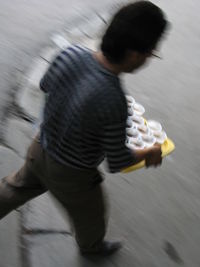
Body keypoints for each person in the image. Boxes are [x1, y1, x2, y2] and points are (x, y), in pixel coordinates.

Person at [0, 1, 168, 256]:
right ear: (135, 54)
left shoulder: (70, 53)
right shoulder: (113, 99)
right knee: (91, 215)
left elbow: (46, 87)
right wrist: (151, 152)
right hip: (73, 175)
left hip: (40, 147)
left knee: (16, 187)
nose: (150, 57)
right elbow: (118, 161)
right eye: (151, 52)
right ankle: (92, 247)